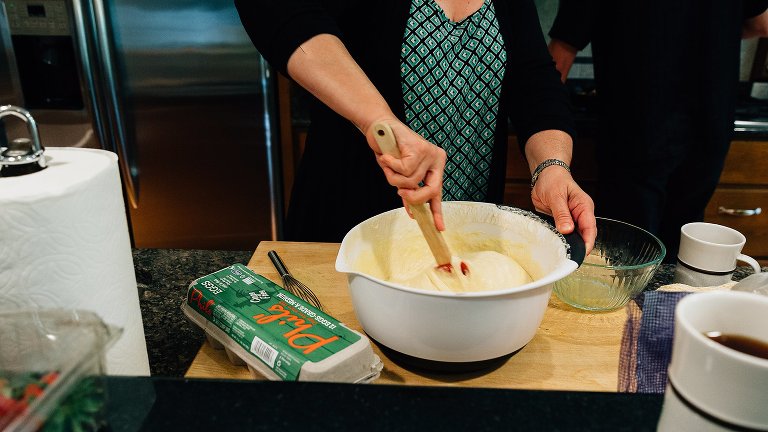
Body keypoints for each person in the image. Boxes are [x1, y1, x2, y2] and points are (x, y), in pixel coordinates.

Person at [235, 0, 596, 252]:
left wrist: (552, 167)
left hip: (464, 244)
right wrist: (380, 120)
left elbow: (536, 85)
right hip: (346, 240)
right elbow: (280, 10)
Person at [548, 0, 768, 260]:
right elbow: (761, 24)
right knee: (682, 258)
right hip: (708, 127)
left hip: (636, 131)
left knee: (625, 259)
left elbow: (560, 55)